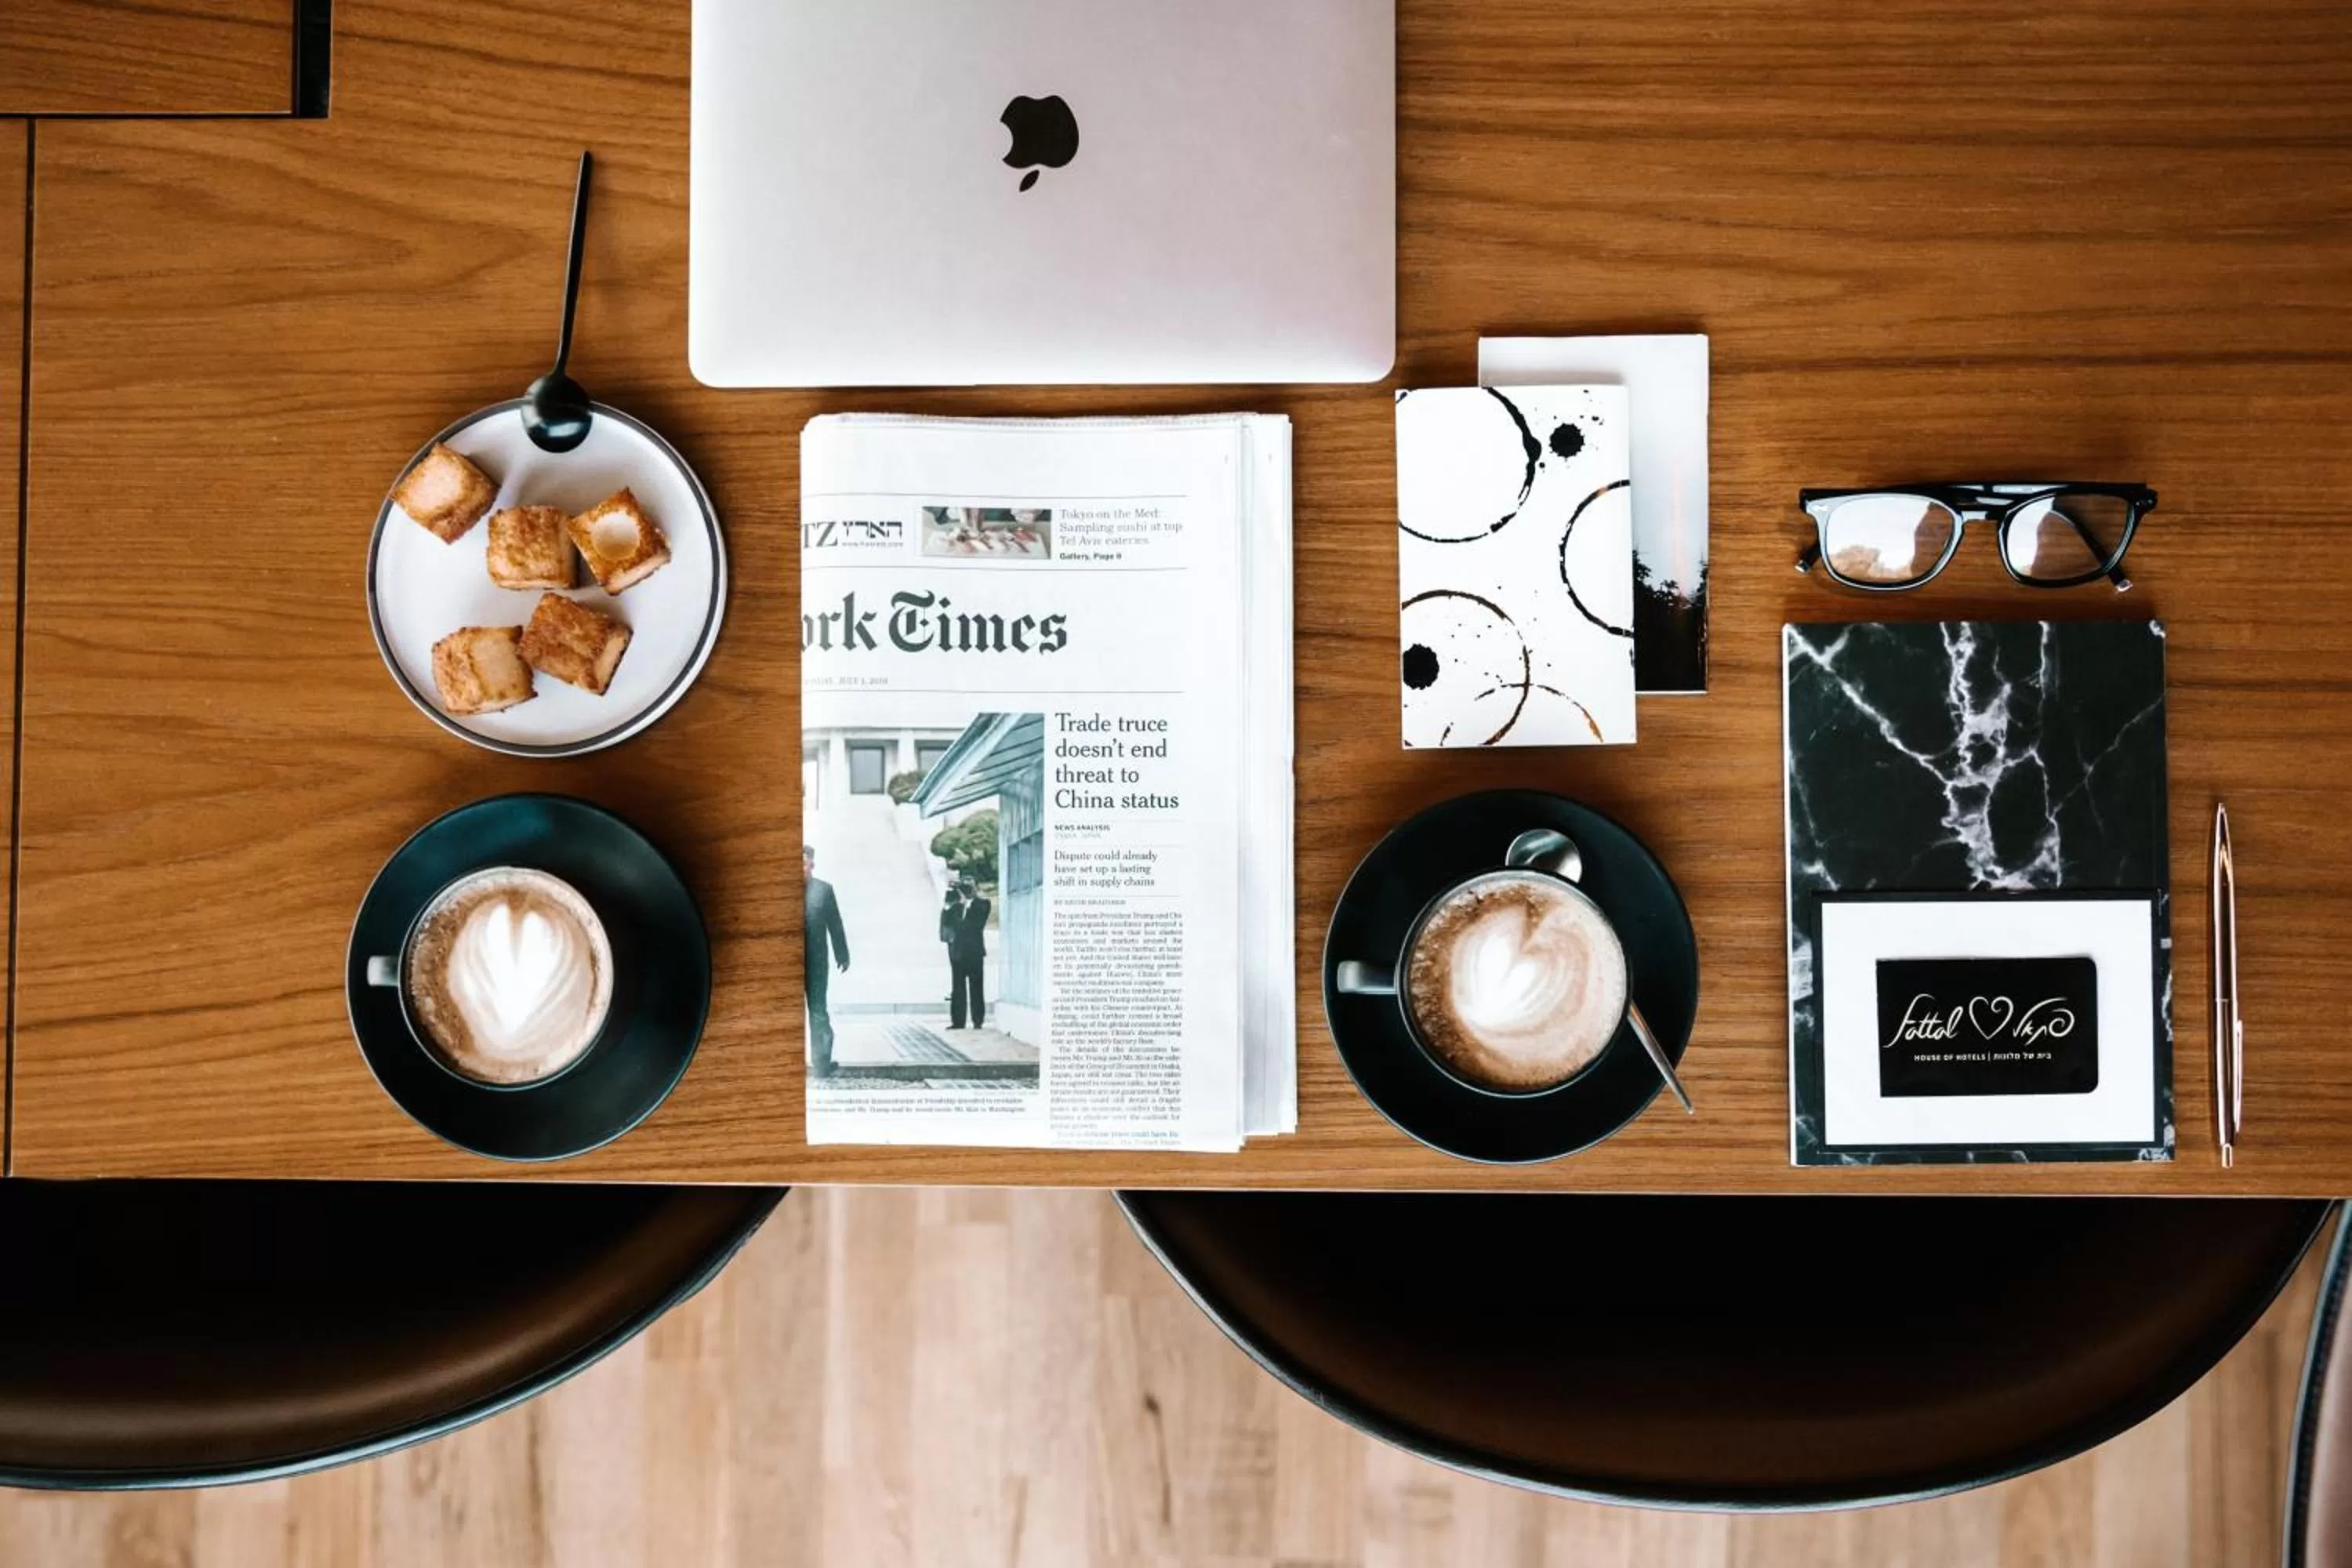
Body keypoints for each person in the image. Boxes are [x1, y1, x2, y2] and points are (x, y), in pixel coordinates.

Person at [803, 845, 849, 1076]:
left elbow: (836, 924)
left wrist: (843, 954)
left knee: (818, 1011)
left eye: (804, 864)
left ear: (812, 864)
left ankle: (821, 1064)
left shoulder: (823, 890)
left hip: (817, 962)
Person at [943, 874, 991, 1030]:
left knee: (977, 987)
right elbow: (946, 923)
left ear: (976, 887)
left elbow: (974, 925)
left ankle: (978, 1021)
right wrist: (952, 903)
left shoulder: (983, 904)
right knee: (958, 987)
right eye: (965, 886)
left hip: (975, 951)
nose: (968, 890)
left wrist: (964, 907)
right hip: (957, 951)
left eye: (970, 886)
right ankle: (958, 1021)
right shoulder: (955, 904)